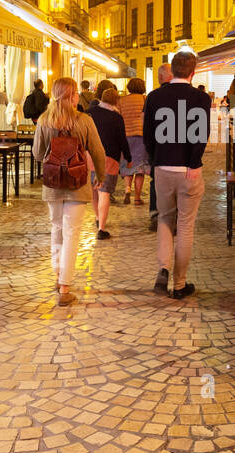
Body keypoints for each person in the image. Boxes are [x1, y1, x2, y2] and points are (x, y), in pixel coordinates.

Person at [32, 78, 107, 306]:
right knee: (72, 232)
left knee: (56, 228)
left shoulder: (44, 120)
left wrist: (53, 153)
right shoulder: (84, 120)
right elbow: (98, 151)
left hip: (53, 183)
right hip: (77, 182)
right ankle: (65, 286)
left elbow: (36, 153)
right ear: (72, 95)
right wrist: (100, 177)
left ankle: (57, 274)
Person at [143, 51, 212, 299]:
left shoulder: (154, 97)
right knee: (185, 226)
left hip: (162, 167)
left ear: (171, 70)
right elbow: (201, 134)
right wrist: (194, 163)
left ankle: (163, 268)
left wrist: (155, 160)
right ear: (193, 72)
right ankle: (180, 284)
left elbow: (148, 136)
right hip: (188, 170)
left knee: (164, 218)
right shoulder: (201, 98)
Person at [88, 87, 130, 240]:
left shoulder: (89, 113)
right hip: (109, 159)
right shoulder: (116, 117)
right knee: (104, 192)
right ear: (115, 101)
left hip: (90, 156)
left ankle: (98, 217)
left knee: (94, 190)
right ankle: (101, 228)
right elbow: (122, 140)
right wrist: (128, 157)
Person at [147, 63, 174, 231]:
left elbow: (147, 127)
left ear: (161, 77)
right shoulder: (186, 95)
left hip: (158, 148)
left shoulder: (153, 96)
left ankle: (156, 215)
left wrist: (150, 151)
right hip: (179, 149)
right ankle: (173, 216)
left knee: (156, 182)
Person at [118, 76, 148, 206]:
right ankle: (137, 198)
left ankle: (127, 190)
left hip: (126, 136)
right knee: (140, 169)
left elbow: (118, 118)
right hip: (142, 137)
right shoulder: (145, 100)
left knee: (128, 165)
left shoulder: (122, 101)